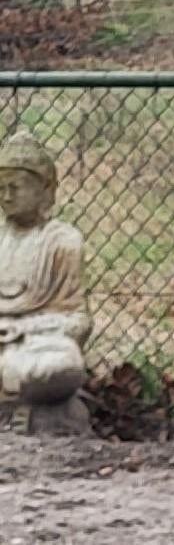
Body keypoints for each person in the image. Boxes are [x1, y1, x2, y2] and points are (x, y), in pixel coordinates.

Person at [0, 132, 91, 406]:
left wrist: (24, 328)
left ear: (44, 189)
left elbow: (77, 320)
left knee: (60, 365)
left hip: (37, 344)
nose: (6, 196)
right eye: (0, 187)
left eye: (15, 187)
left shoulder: (63, 241)